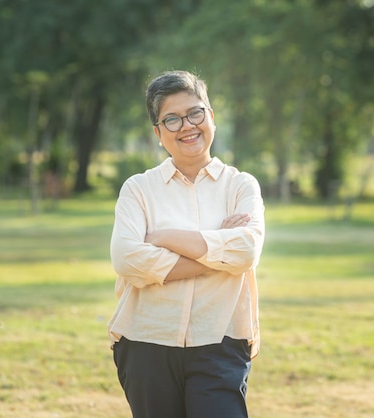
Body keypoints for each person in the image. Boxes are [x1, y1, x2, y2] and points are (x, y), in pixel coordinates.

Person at [107, 70, 265, 418]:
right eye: (172, 119)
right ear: (158, 133)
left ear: (211, 116)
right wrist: (217, 253)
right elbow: (127, 259)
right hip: (146, 340)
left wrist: (163, 239)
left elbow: (245, 251)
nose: (187, 126)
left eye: (195, 113)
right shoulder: (138, 189)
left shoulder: (240, 186)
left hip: (221, 341)